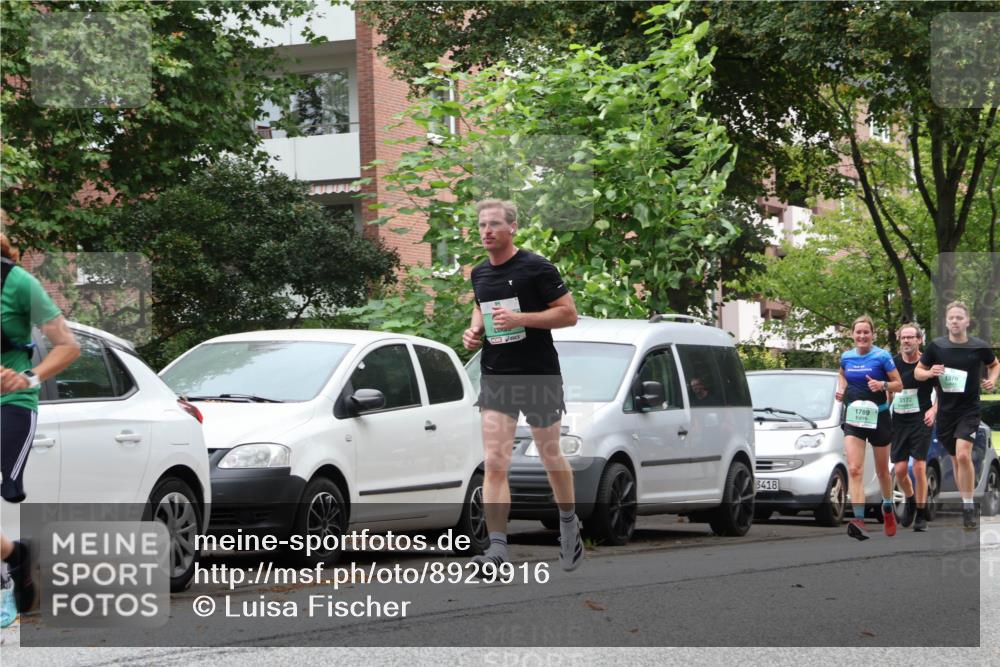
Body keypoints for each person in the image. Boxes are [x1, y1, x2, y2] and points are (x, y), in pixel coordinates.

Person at [463, 199, 582, 572]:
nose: (487, 231)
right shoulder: (479, 273)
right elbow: (481, 305)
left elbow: (568, 314)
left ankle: (568, 523)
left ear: (512, 227)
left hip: (538, 374)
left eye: (494, 224)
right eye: (482, 225)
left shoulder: (537, 267)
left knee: (549, 455)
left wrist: (521, 319)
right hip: (497, 374)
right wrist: (474, 330)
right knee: (495, 462)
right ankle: (498, 549)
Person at [1, 231, 80, 621]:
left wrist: (28, 378)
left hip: (10, 403)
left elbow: (68, 345)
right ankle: (15, 555)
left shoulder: (18, 283)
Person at [915, 301, 999, 530]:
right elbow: (918, 372)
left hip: (969, 410)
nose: (954, 321)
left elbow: (994, 364)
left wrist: (992, 380)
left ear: (967, 321)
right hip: (945, 412)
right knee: (954, 458)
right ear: (946, 321)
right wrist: (929, 372)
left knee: (963, 456)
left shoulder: (978, 347)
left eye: (959, 318)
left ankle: (969, 506)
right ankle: (966, 501)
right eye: (951, 318)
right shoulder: (936, 347)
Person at [836, 315, 903, 540]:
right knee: (854, 469)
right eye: (858, 332)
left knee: (883, 470)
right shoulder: (846, 357)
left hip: (879, 417)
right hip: (854, 417)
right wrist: (841, 388)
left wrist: (882, 384)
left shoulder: (882, 356)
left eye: (866, 332)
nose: (862, 336)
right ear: (853, 334)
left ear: (872, 335)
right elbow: (842, 375)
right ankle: (858, 519)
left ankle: (887, 508)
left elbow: (899, 384)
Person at [889, 323, 938, 532]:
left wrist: (934, 410)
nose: (906, 341)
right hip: (899, 419)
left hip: (921, 418)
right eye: (903, 338)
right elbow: (889, 391)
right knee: (900, 470)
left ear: (919, 340)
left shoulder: (928, 364)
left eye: (911, 337)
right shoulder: (893, 364)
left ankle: (920, 513)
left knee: (918, 466)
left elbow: (943, 392)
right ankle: (910, 500)